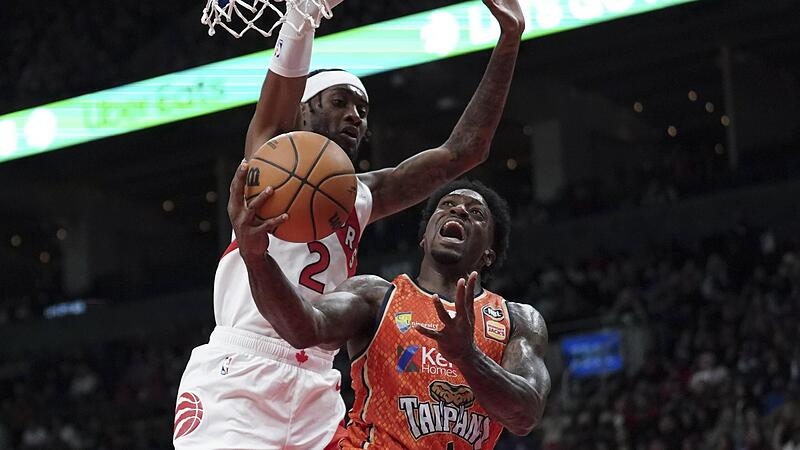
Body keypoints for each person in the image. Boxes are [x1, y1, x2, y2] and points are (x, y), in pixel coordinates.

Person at [174, 0, 527, 447]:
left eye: (362, 111)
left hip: (319, 381)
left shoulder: (365, 193)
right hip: (242, 368)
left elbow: (464, 153)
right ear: (303, 113)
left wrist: (509, 41)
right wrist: (301, 20)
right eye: (339, 102)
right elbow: (274, 105)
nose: (354, 117)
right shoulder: (270, 162)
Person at [229, 174, 551, 449]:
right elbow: (302, 328)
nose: (459, 210)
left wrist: (467, 357)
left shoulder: (517, 320)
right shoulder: (375, 296)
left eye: (476, 212)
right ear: (424, 238)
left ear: (489, 253)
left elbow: (525, 415)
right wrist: (258, 259)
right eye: (447, 205)